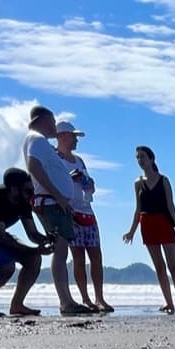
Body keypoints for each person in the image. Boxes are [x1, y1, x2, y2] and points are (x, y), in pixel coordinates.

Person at [22, 105, 87, 317]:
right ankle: (66, 301)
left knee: (62, 250)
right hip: (51, 202)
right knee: (60, 252)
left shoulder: (38, 141)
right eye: (51, 122)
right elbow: (34, 167)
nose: (54, 127)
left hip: (53, 201)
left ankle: (67, 300)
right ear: (41, 120)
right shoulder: (37, 140)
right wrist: (58, 196)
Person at [0, 168, 55, 317]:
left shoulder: (23, 200)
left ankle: (17, 304)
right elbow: (2, 239)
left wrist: (47, 239)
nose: (32, 195)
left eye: (33, 191)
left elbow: (32, 234)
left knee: (33, 260)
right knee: (6, 266)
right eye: (28, 191)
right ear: (13, 189)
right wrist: (36, 250)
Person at [123, 146, 175, 314]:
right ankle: (169, 303)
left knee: (173, 265)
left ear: (152, 159)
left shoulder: (164, 180)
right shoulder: (138, 183)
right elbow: (138, 209)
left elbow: (171, 205)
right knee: (159, 267)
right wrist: (132, 230)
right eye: (137, 157)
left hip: (164, 223)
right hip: (147, 224)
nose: (140, 160)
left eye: (143, 157)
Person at [55, 120, 112, 314]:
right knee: (78, 257)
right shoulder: (55, 158)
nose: (76, 141)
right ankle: (86, 299)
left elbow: (90, 185)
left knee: (96, 256)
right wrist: (71, 177)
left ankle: (99, 298)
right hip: (70, 211)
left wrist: (89, 183)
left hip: (87, 210)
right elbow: (54, 181)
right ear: (63, 136)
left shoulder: (79, 160)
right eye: (73, 137)